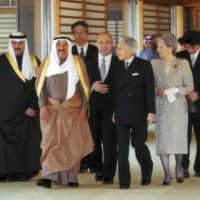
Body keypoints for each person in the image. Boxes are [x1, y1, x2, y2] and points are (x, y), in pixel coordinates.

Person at [36, 35, 94, 188]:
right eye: (58, 45)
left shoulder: (77, 62)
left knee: (71, 144)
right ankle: (48, 177)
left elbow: (84, 87)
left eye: (65, 45)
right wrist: (42, 106)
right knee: (50, 143)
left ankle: (71, 178)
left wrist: (84, 108)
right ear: (54, 47)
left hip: (72, 110)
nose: (61, 47)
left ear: (69, 47)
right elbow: (39, 86)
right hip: (51, 110)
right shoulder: (47, 62)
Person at [151, 33, 194, 185]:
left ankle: (179, 167)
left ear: (170, 48)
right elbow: (149, 85)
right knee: (163, 141)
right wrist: (156, 90)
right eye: (158, 47)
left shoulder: (183, 63)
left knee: (178, 140)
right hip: (161, 107)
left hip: (178, 108)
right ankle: (167, 174)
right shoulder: (153, 64)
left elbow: (189, 87)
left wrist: (173, 90)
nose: (158, 50)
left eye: (161, 47)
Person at [113, 36, 155, 189]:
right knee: (122, 149)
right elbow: (114, 92)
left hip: (139, 113)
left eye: (120, 48)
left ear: (131, 50)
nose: (117, 50)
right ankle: (124, 182)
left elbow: (149, 90)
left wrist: (151, 111)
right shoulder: (116, 66)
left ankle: (147, 169)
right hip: (121, 113)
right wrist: (114, 111)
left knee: (138, 144)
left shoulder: (144, 65)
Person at [0, 32, 41, 181]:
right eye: (14, 43)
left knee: (28, 145)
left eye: (20, 43)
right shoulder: (2, 61)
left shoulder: (34, 61)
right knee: (6, 148)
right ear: (10, 44)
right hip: (7, 114)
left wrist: (34, 106)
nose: (17, 46)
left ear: (25, 44)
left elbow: (41, 86)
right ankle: (6, 174)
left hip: (28, 114)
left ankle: (25, 172)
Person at [87, 32, 118, 184]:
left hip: (112, 110)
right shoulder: (88, 61)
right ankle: (98, 169)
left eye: (107, 42)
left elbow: (124, 87)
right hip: (92, 110)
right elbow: (80, 83)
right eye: (101, 42)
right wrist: (92, 87)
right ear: (96, 43)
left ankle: (109, 174)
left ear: (112, 44)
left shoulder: (120, 61)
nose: (104, 45)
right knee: (94, 142)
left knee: (110, 142)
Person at [71, 20, 98, 173]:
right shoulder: (69, 51)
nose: (79, 35)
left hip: (94, 96)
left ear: (87, 33)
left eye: (82, 32)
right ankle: (80, 163)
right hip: (75, 98)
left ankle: (93, 162)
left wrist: (93, 86)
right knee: (77, 131)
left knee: (93, 130)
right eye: (76, 32)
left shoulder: (96, 50)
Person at [176, 31, 200, 178]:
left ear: (197, 44)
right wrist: (184, 91)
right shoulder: (179, 57)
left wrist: (198, 93)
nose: (185, 48)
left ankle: (199, 168)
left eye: (188, 45)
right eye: (184, 45)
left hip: (199, 102)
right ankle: (183, 167)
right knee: (183, 138)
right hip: (183, 104)